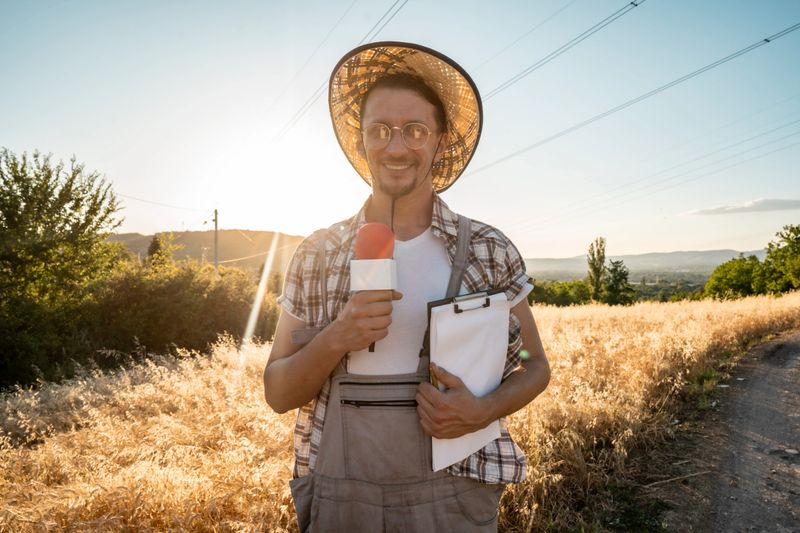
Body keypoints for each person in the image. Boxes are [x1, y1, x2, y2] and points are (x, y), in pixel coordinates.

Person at [263, 42, 550, 532]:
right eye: (380, 130)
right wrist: (338, 336)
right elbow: (277, 392)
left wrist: (482, 411)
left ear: (440, 142)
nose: (396, 147)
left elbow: (534, 366)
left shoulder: (487, 249)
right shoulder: (316, 253)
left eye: (415, 130)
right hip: (341, 501)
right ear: (362, 142)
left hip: (454, 496)